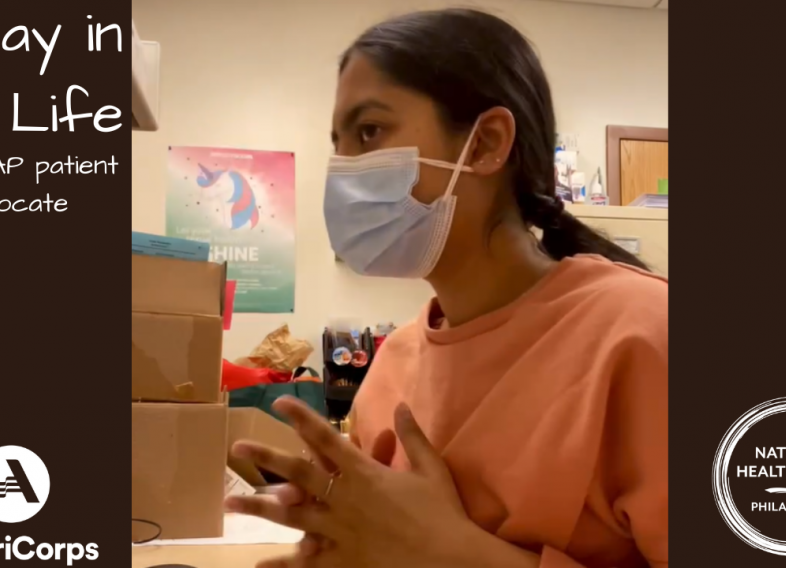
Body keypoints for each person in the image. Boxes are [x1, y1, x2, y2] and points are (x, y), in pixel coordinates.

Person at [225, 7, 668, 568]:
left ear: (485, 143)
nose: (344, 171)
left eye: (369, 132)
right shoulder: (394, 366)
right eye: (339, 143)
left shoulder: (645, 337)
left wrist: (452, 553)